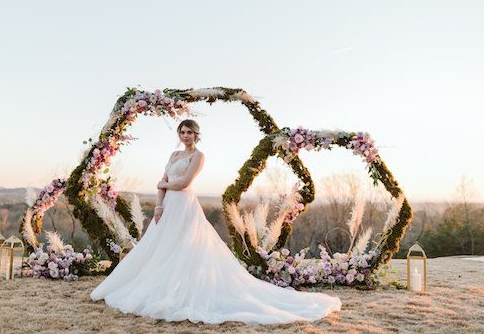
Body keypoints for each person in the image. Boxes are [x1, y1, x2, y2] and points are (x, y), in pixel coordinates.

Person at [90, 119, 342, 325]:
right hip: (167, 207)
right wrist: (158, 203)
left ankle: (183, 289)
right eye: (182, 131)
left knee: (185, 247)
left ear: (196, 135)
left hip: (184, 205)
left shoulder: (198, 156)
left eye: (189, 132)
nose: (185, 135)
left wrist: (163, 185)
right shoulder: (174, 153)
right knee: (160, 247)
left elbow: (183, 182)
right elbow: (163, 180)